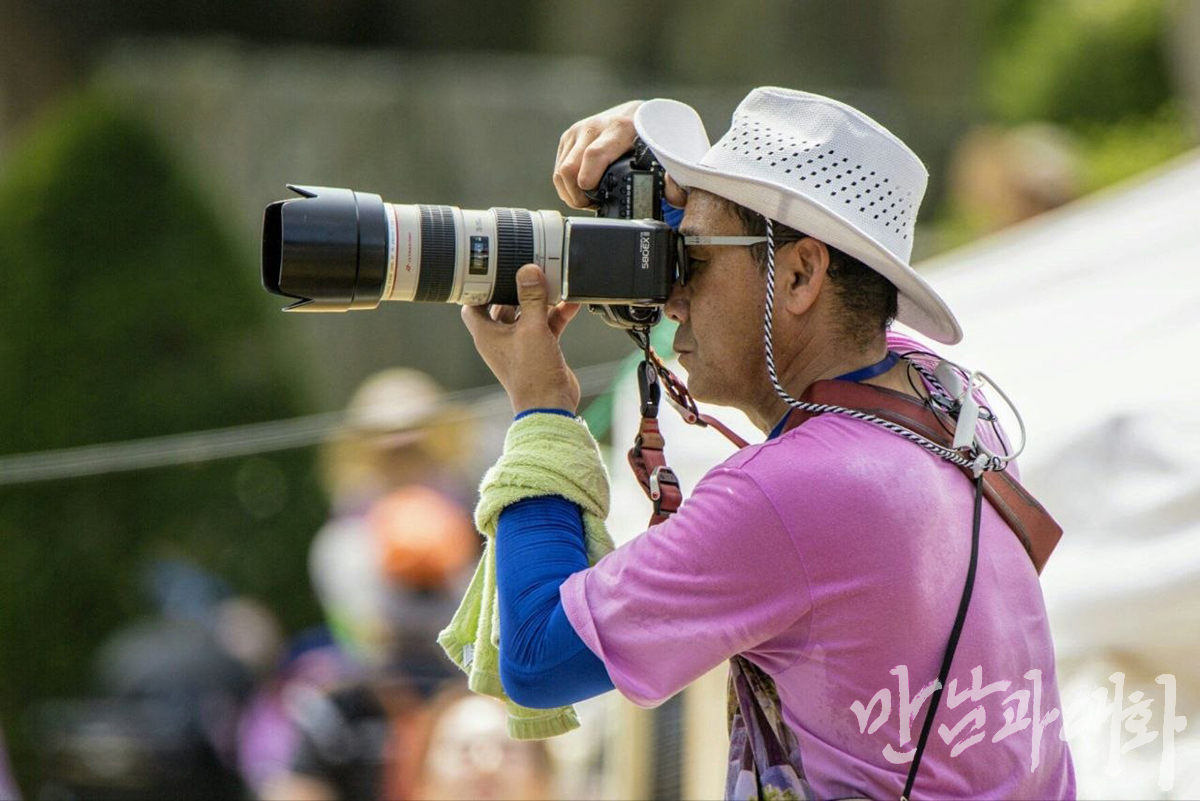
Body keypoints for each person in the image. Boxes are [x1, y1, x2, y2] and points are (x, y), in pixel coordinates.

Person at [459, 87, 1075, 798]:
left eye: (693, 256)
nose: (672, 295)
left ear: (803, 274)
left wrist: (541, 409)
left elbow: (534, 659)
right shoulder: (944, 397)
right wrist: (666, 174)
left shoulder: (790, 492)